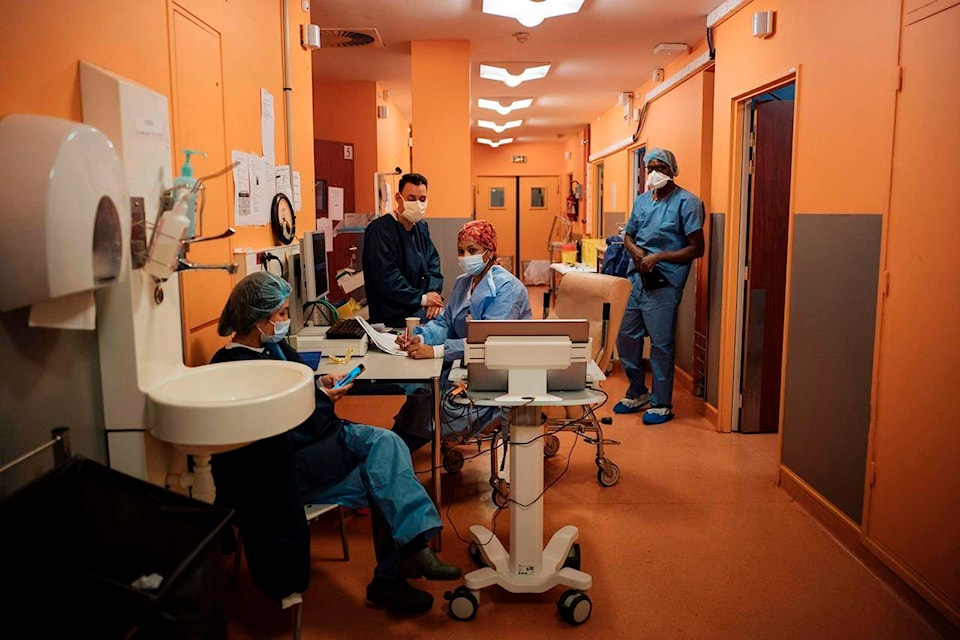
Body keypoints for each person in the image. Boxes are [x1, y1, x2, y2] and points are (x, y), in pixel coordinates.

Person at [209, 272, 461, 614]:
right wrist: (324, 399)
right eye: (282, 314)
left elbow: (298, 390)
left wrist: (318, 383)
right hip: (285, 466)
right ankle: (396, 573)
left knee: (388, 452)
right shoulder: (235, 367)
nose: (286, 321)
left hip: (318, 440)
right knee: (385, 469)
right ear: (258, 319)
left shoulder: (273, 347)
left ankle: (403, 564)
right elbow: (286, 427)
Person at [392, 219, 532, 451]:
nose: (465, 257)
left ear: (490, 251)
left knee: (441, 406)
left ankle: (393, 454)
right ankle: (393, 450)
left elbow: (489, 343)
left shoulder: (508, 289)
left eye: (472, 250)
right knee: (422, 393)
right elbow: (445, 322)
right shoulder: (462, 283)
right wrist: (422, 337)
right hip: (463, 364)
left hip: (497, 373)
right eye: (460, 251)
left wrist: (437, 351)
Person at [614, 148, 705, 425]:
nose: (654, 173)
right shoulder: (642, 201)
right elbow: (629, 234)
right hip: (636, 278)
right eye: (650, 168)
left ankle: (661, 402)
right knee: (626, 336)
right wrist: (635, 252)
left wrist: (659, 256)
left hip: (665, 282)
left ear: (672, 170)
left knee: (661, 344)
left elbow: (696, 248)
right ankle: (637, 390)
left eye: (661, 168)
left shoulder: (688, 202)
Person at [363, 173, 444, 328]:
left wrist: (433, 297)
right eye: (411, 198)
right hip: (393, 314)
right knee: (439, 325)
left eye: (422, 199)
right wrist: (423, 299)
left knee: (447, 319)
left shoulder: (421, 227)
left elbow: (433, 264)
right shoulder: (379, 231)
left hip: (420, 305)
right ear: (398, 198)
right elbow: (387, 278)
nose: (417, 204)